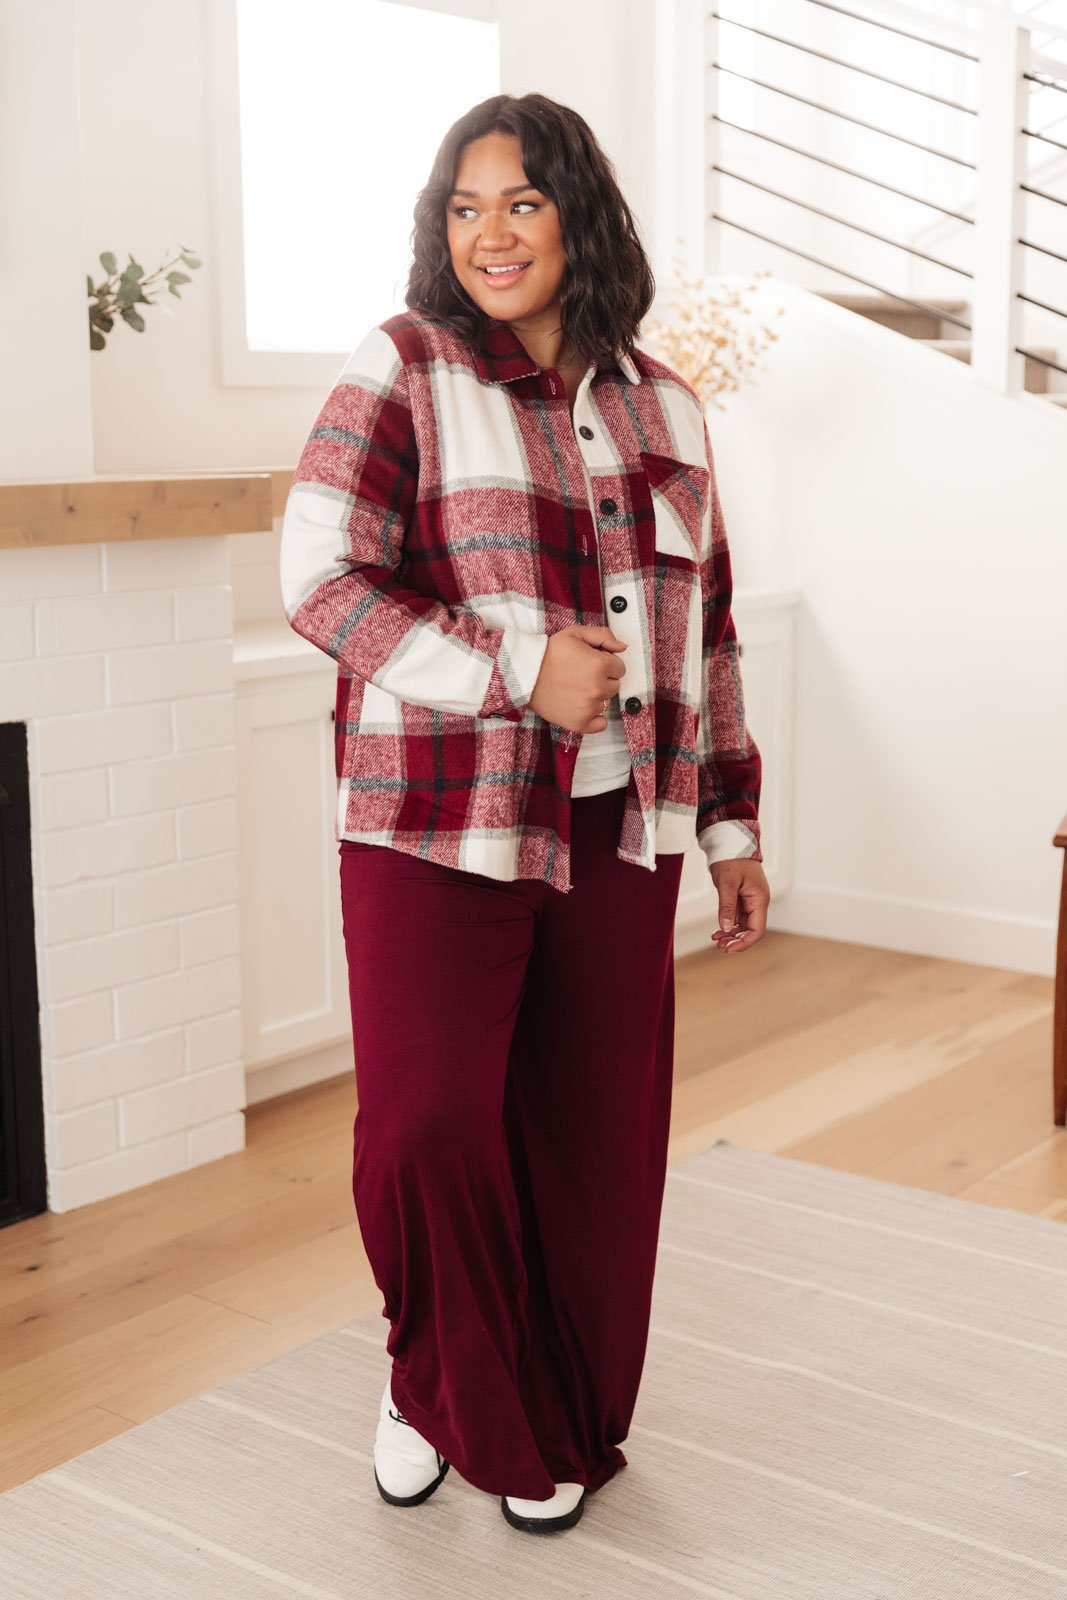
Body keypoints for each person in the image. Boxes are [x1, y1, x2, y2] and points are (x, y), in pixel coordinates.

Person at [279, 91, 769, 1536]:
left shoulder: (667, 405)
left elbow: (709, 628)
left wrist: (731, 829)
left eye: (522, 204)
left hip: (624, 828)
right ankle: (431, 1376)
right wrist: (511, 668)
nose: (489, 235)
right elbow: (319, 576)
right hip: (436, 817)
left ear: (579, 218)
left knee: (589, 1143)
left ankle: (552, 1408)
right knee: (426, 1129)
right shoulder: (405, 367)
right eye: (464, 208)